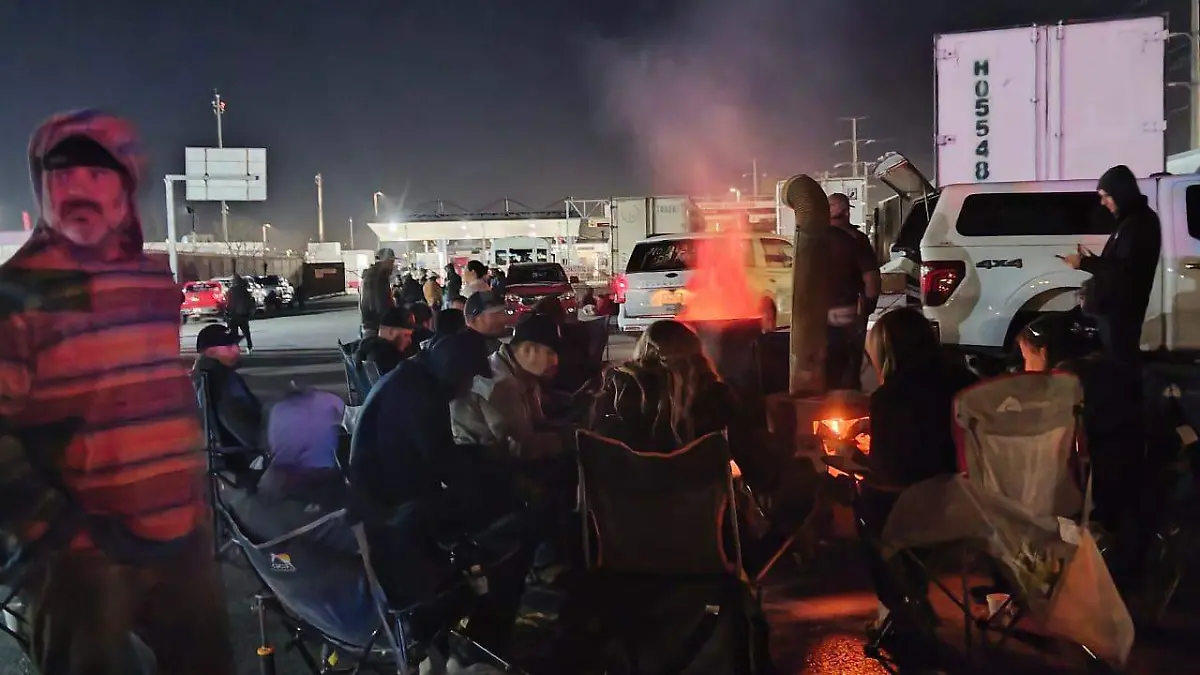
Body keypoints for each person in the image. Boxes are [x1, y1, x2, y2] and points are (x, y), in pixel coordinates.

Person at [0, 110, 232, 674]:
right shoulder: (19, 293)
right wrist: (57, 529)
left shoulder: (152, 280)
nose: (76, 187)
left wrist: (192, 499)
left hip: (179, 538)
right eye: (60, 174)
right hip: (82, 561)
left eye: (96, 174)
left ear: (126, 186)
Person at [859, 308, 976, 651]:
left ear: (886, 351)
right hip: (975, 507)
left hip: (923, 513)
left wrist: (853, 461)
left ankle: (900, 606)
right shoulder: (965, 383)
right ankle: (910, 601)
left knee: (867, 502)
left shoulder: (889, 398)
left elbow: (891, 471)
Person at [1016, 312, 1148, 588]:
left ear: (1044, 352)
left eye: (1027, 357)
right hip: (1134, 496)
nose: (1025, 367)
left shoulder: (1064, 386)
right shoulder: (1115, 375)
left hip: (1085, 501)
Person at [1062, 164, 1162, 364]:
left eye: (1106, 196)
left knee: (1122, 363)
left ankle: (1128, 395)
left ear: (1121, 193)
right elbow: (1118, 263)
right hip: (1117, 310)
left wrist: (1084, 262)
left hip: (1122, 311)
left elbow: (1123, 270)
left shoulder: (1139, 224)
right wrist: (1094, 260)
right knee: (1118, 362)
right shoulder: (1131, 221)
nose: (1103, 202)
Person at [825, 192, 881, 390]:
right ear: (846, 211)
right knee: (849, 366)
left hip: (818, 313)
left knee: (827, 367)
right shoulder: (857, 239)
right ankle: (849, 407)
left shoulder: (815, 239)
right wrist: (869, 304)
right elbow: (871, 278)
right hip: (849, 311)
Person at [192, 323, 264, 452]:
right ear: (210, 351)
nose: (237, 350)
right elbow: (244, 428)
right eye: (229, 346)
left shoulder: (205, 376)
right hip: (245, 458)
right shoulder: (222, 381)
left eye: (236, 345)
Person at [354, 307, 415, 376]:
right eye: (406, 335)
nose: (410, 340)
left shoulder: (367, 348)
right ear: (391, 332)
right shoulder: (389, 357)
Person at [359, 248, 396, 338]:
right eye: (391, 261)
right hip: (376, 324)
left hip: (373, 323)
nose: (393, 265)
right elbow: (377, 302)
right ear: (385, 261)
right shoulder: (377, 278)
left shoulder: (376, 275)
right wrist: (389, 318)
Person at [225, 274, 256, 353]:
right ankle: (249, 346)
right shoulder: (244, 290)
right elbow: (250, 301)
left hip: (233, 315)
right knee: (246, 332)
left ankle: (235, 348)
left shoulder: (230, 291)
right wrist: (250, 311)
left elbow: (229, 303)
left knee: (234, 333)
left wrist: (227, 312)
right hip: (243, 314)